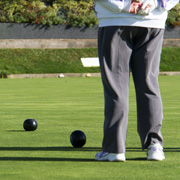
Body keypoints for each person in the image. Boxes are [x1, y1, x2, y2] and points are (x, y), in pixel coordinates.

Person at [94, 0, 179, 162]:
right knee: (149, 83)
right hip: (153, 21)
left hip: (114, 20)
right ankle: (154, 145)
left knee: (116, 86)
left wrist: (123, 6)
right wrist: (153, 4)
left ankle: (114, 149)